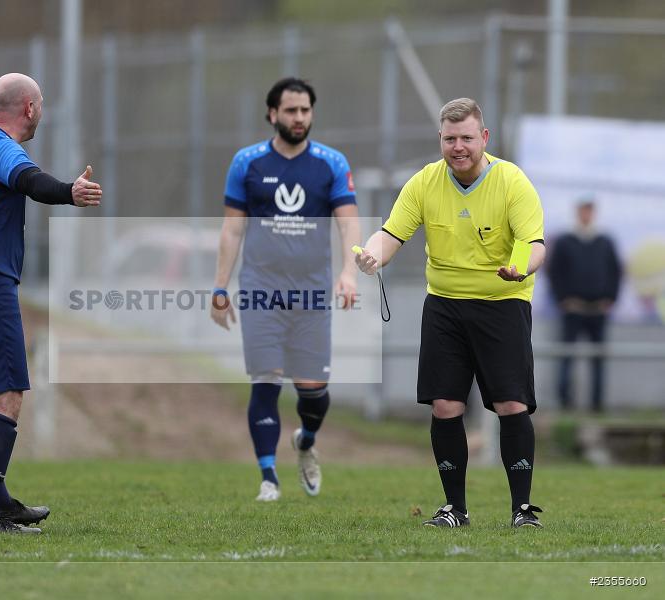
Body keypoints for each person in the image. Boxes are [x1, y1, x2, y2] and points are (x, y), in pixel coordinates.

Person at [355, 98, 546, 528]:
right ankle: (454, 509)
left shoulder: (512, 182)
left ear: (484, 138)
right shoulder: (425, 182)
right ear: (439, 139)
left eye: (466, 138)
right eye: (449, 138)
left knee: (511, 403)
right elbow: (391, 233)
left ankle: (522, 510)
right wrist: (372, 256)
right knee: (444, 406)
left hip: (502, 304)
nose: (458, 147)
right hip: (443, 306)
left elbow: (534, 243)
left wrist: (520, 269)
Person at [0, 73, 102, 532]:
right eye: (40, 105)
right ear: (30, 110)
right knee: (8, 397)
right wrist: (70, 193)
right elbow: (30, 181)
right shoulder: (0, 145)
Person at [211, 77, 360, 502]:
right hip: (260, 291)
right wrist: (220, 287)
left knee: (313, 393)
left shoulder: (331, 163)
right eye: (291, 110)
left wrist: (349, 272)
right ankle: (268, 479)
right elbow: (232, 229)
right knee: (266, 380)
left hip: (313, 295)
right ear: (272, 114)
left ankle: (306, 442)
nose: (299, 118)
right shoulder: (247, 163)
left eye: (305, 110)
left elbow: (348, 222)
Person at [548, 198, 621, 413]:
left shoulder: (605, 241)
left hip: (598, 310)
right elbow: (555, 272)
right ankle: (565, 404)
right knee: (566, 357)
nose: (586, 215)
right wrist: (562, 299)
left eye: (590, 211)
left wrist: (610, 298)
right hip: (573, 309)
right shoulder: (565, 240)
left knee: (598, 359)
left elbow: (615, 272)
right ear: (577, 212)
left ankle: (597, 405)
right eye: (583, 210)